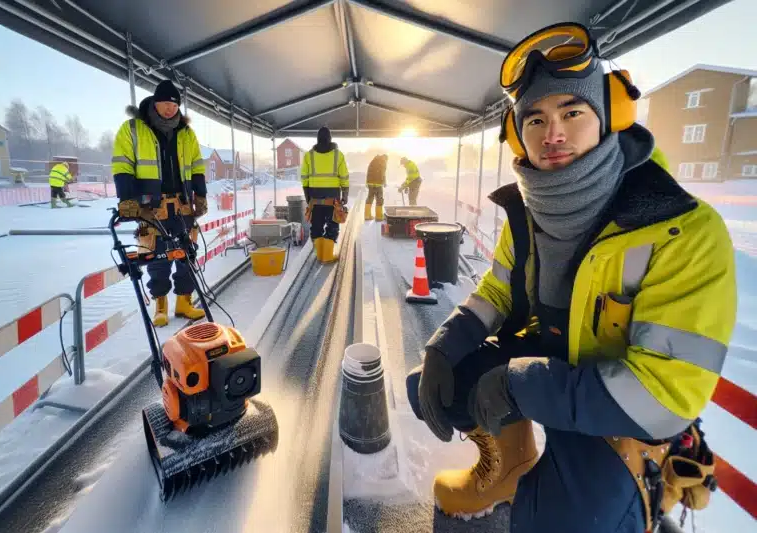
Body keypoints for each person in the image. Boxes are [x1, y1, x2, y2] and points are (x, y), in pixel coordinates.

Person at [406, 22, 735, 533]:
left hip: (619, 413)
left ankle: (623, 501)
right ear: (518, 134)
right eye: (534, 118)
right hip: (553, 366)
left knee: (570, 521)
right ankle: (510, 471)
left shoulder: (683, 231)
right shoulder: (528, 213)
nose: (552, 133)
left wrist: (519, 387)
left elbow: (662, 395)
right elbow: (497, 290)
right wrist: (445, 346)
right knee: (435, 387)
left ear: (611, 118)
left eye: (572, 112)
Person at [111, 80, 208, 327]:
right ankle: (161, 305)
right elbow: (122, 166)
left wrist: (200, 195)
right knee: (156, 255)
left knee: (187, 251)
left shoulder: (186, 133)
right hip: (150, 206)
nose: (169, 109)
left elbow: (197, 166)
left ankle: (185, 302)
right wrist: (127, 200)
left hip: (182, 202)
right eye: (165, 103)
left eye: (174, 104)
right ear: (155, 103)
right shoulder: (133, 129)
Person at [300, 126, 349, 263]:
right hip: (332, 199)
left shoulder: (309, 156)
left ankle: (319, 254)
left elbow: (304, 178)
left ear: (317, 139)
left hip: (315, 199)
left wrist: (307, 196)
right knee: (333, 225)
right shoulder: (338, 155)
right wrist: (345, 194)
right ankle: (327, 256)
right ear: (330, 138)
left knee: (316, 226)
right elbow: (344, 176)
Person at [365, 154, 388, 221]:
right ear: (385, 158)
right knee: (379, 199)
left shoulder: (373, 161)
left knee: (370, 198)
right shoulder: (383, 162)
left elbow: (368, 171)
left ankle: (367, 215)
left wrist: (367, 182)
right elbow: (383, 173)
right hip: (378, 183)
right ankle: (378, 217)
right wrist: (384, 182)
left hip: (370, 183)